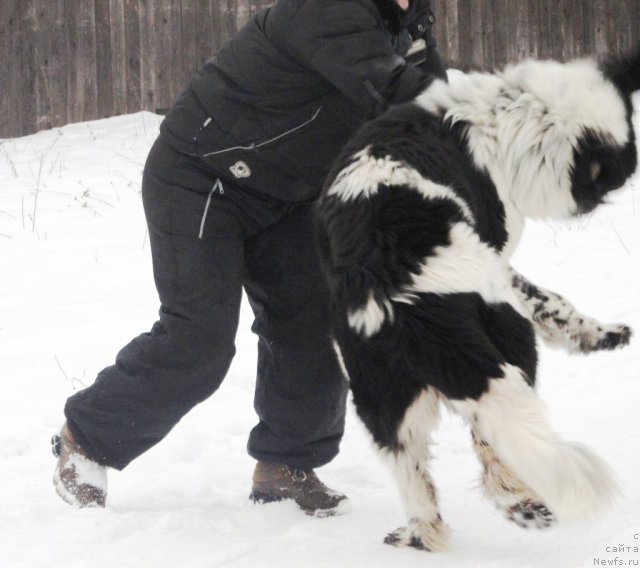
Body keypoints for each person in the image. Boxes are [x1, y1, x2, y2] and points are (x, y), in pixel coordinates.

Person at [51, 0, 447, 516]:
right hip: (201, 176)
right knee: (200, 339)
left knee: (315, 323)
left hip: (286, 193)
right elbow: (395, 92)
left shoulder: (410, 25)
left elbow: (435, 118)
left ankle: (287, 465)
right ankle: (85, 438)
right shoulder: (326, 11)